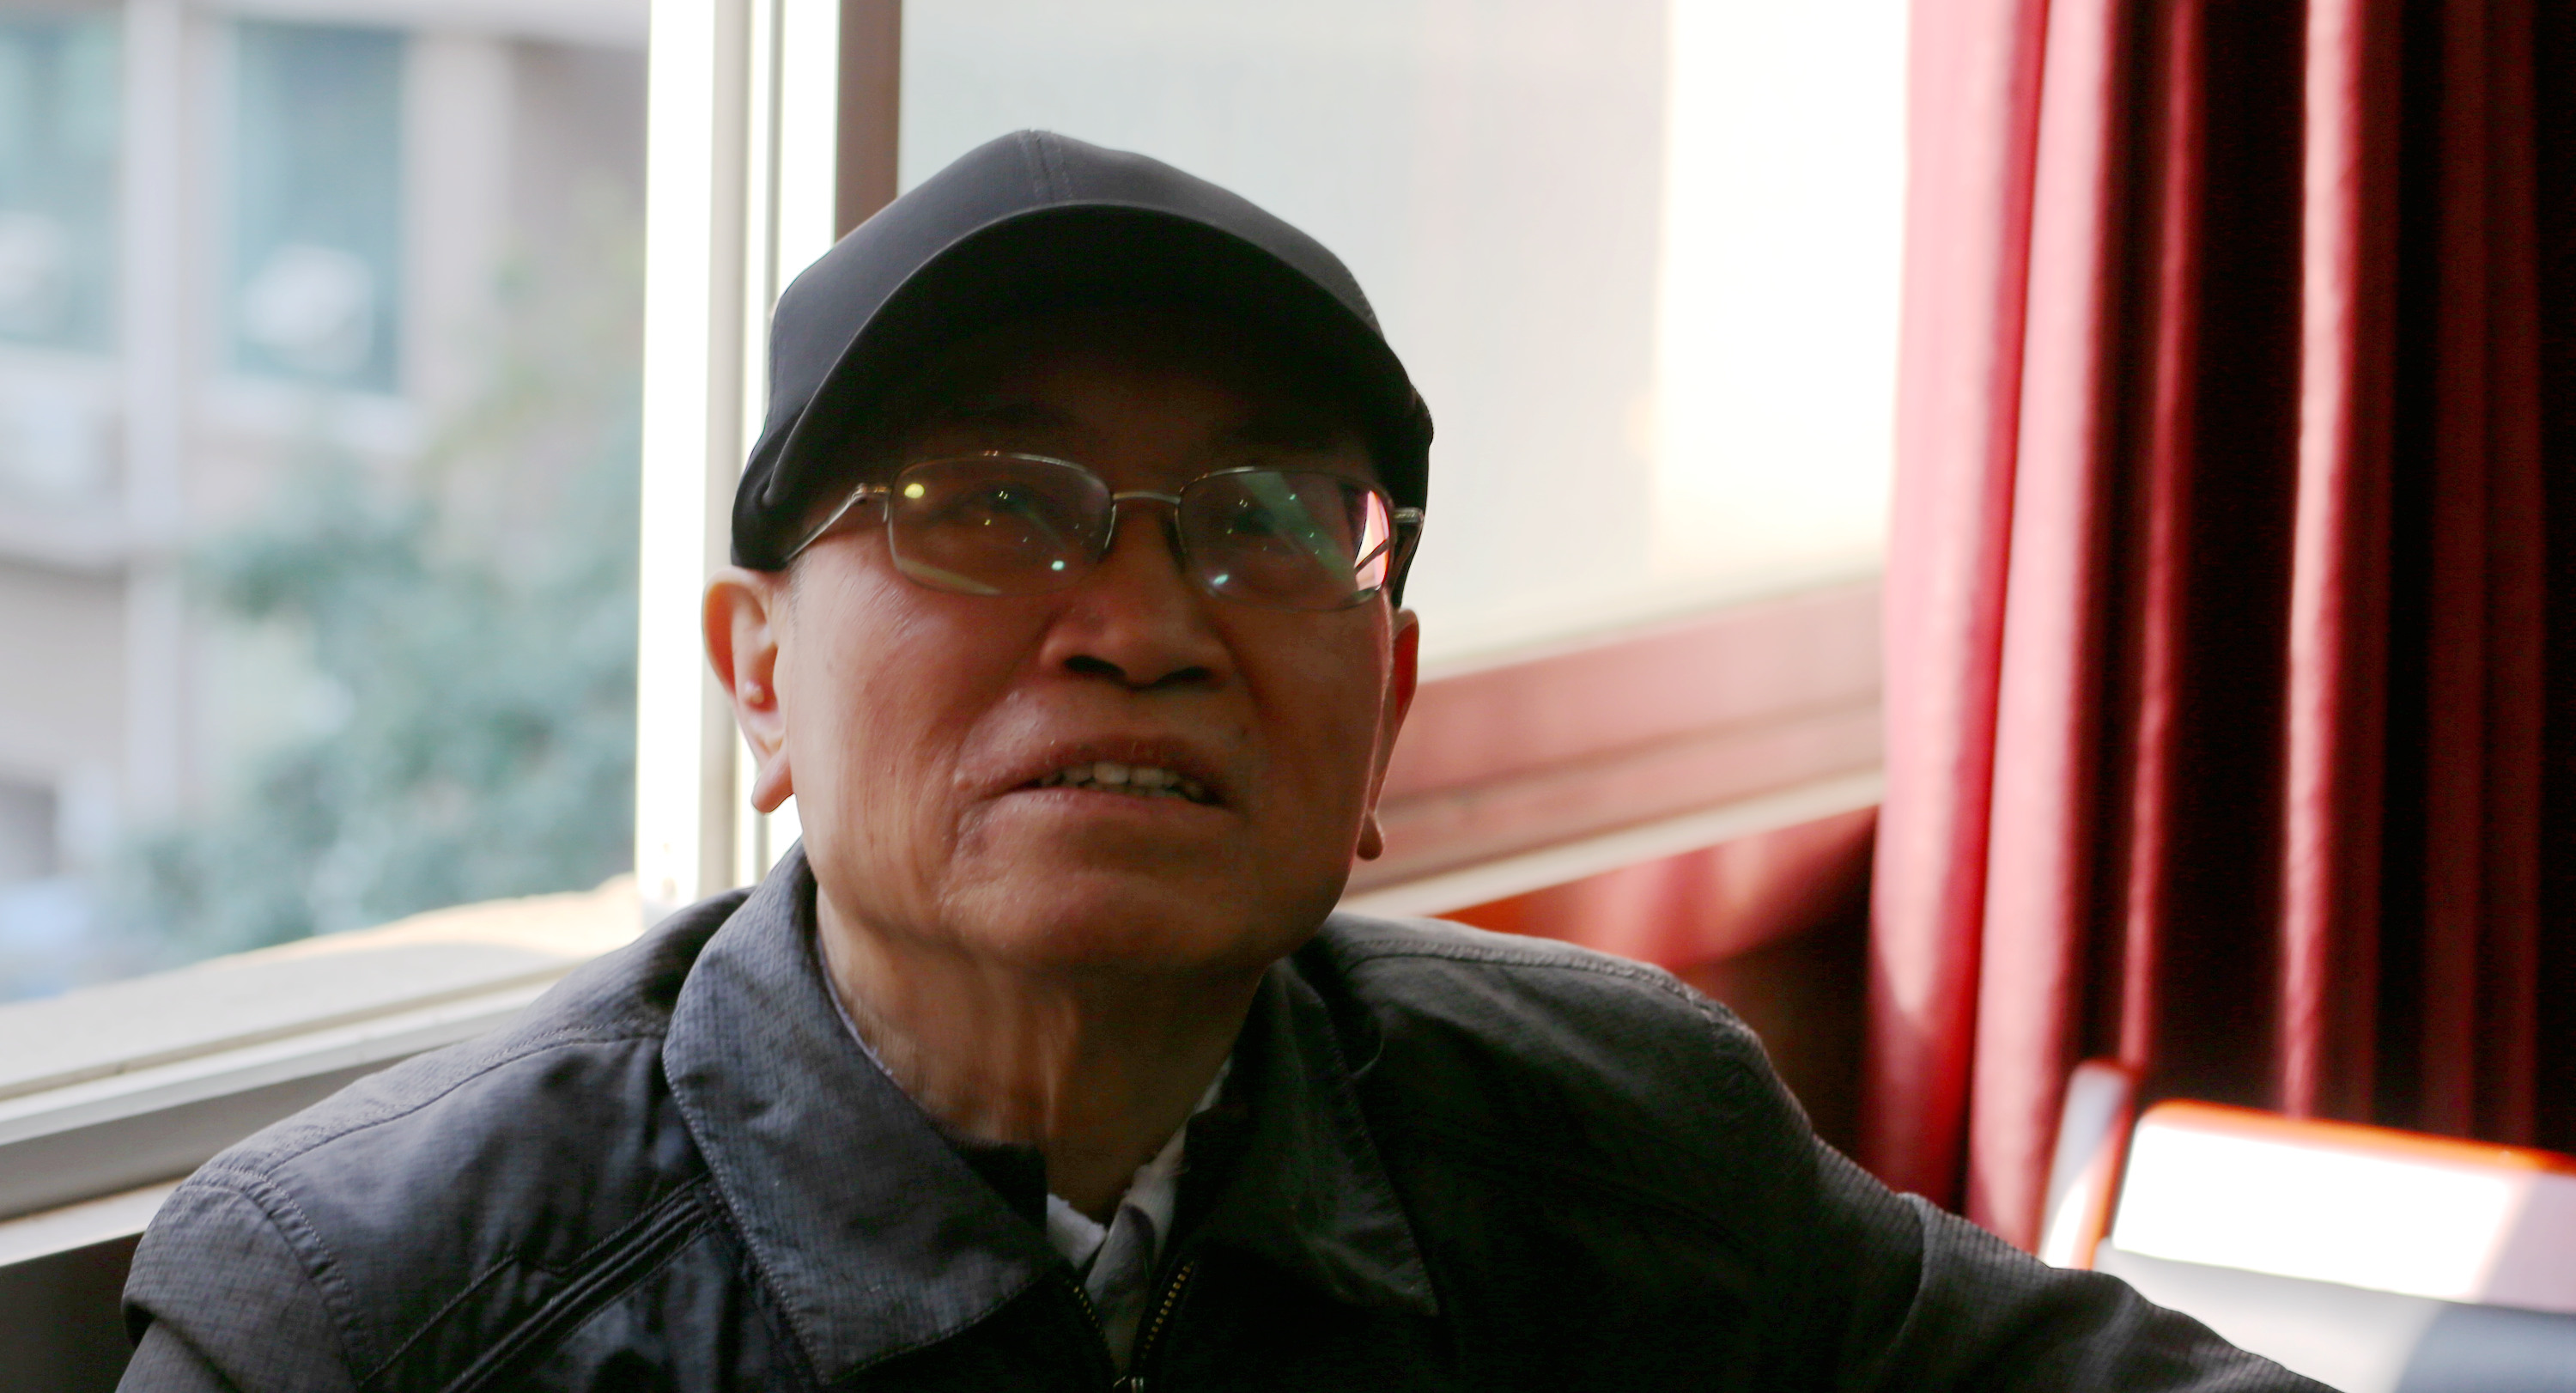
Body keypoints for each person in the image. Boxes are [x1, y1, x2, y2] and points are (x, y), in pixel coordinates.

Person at [118, 131, 2324, 1391]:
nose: (1147, 624)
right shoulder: (363, 1320)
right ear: (757, 676)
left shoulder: (1621, 1145)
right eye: (994, 503)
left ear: (1391, 708)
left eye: (1268, 522)